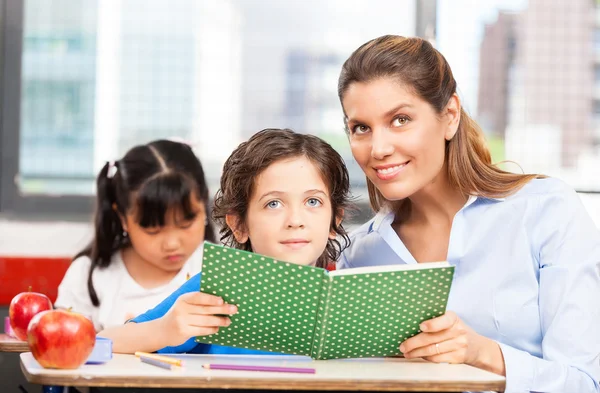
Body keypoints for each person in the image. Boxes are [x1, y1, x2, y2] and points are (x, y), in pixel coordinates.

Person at [336, 35, 600, 393]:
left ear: (449, 115)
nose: (378, 148)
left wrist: (483, 354)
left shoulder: (545, 212)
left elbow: (585, 383)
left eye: (400, 119)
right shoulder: (359, 255)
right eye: (361, 128)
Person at [98, 128, 352, 354]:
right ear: (239, 225)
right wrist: (165, 330)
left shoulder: (350, 296)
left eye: (313, 202)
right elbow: (106, 340)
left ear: (334, 220)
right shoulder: (214, 291)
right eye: (273, 203)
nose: (295, 220)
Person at [55, 140, 216, 332]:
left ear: (204, 203)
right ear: (123, 218)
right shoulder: (89, 277)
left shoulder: (219, 272)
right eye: (153, 230)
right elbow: (67, 348)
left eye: (186, 224)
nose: (172, 244)